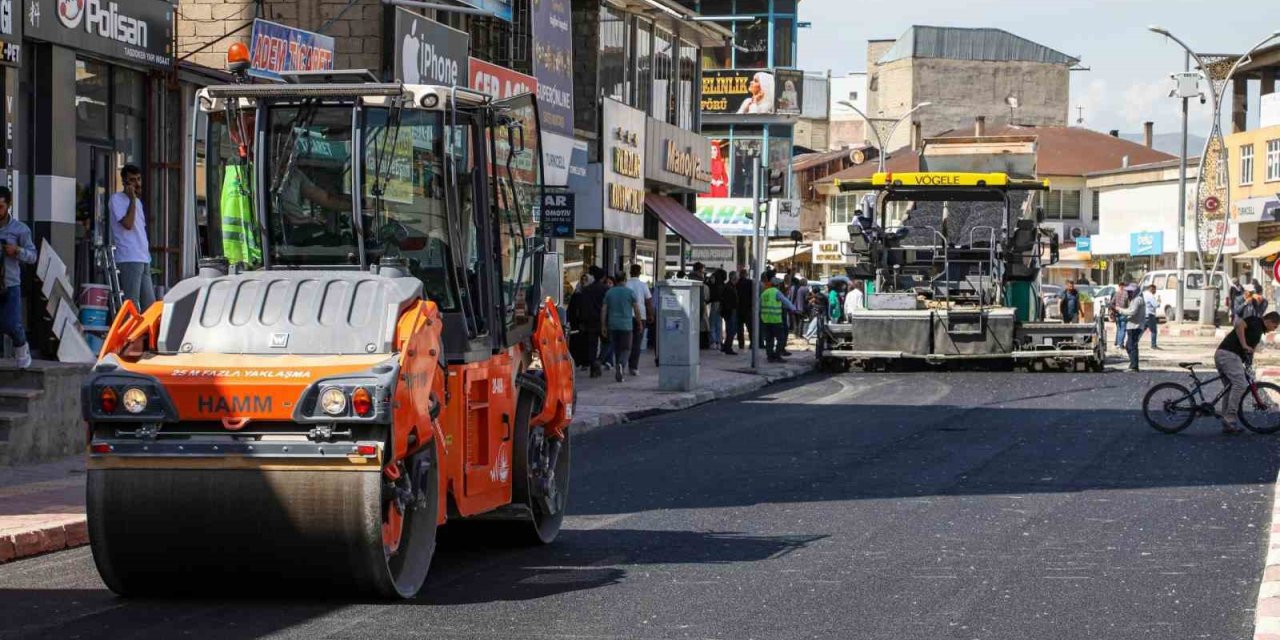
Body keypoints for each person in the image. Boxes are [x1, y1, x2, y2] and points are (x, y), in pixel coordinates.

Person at [1215, 311, 1280, 433]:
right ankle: (1229, 419)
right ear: (1269, 321)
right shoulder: (1256, 322)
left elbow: (1250, 352)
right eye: (1274, 326)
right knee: (1240, 384)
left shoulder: (1258, 331)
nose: (1273, 330)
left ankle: (1227, 423)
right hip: (1229, 355)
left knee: (1230, 387)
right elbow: (1239, 324)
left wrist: (1249, 365)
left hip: (1225, 355)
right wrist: (1244, 344)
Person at [110, 165, 156, 312]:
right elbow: (128, 224)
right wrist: (132, 200)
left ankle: (147, 333)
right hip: (129, 256)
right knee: (132, 302)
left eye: (138, 179)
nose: (137, 184)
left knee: (150, 304)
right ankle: (132, 334)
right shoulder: (117, 199)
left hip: (143, 257)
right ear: (124, 182)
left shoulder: (138, 202)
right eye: (132, 180)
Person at [0, 187, 36, 369]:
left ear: (8, 205)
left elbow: (33, 255)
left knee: (12, 323)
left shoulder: (20, 230)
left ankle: (22, 348)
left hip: (10, 283)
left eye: (0, 206)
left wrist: (17, 251)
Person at [601, 271, 642, 383]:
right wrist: (639, 322)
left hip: (612, 325)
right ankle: (621, 365)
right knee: (627, 348)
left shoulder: (609, 292)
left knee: (617, 348)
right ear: (624, 279)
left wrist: (603, 325)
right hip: (626, 325)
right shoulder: (630, 292)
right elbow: (636, 309)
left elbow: (604, 309)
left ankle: (620, 372)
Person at [576, 266, 608, 378]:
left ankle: (593, 366)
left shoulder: (587, 290)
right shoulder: (605, 289)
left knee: (592, 345)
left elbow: (583, 307)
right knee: (608, 342)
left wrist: (582, 320)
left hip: (590, 321)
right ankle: (599, 361)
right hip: (603, 320)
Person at [623, 264, 654, 377]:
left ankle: (622, 364)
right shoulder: (643, 285)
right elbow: (649, 301)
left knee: (626, 342)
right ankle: (633, 367)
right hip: (641, 316)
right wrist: (651, 314)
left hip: (627, 316)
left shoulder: (626, 284)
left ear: (630, 272)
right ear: (639, 273)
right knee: (637, 342)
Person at [760, 275, 797, 363]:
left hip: (765, 320)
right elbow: (785, 301)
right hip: (775, 320)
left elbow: (759, 305)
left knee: (769, 340)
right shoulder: (776, 292)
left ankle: (770, 357)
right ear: (777, 285)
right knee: (781, 338)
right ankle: (777, 356)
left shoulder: (764, 292)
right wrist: (794, 309)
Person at [1123, 284, 1145, 372]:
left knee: (1132, 346)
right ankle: (1133, 364)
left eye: (1130, 292)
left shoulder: (1137, 300)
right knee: (1129, 346)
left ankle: (1134, 366)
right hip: (1132, 326)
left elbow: (1132, 312)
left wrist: (1120, 310)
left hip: (1135, 326)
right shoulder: (1134, 299)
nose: (1128, 293)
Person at [721, 272, 740, 355]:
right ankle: (728, 347)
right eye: (737, 277)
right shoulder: (729, 287)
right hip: (730, 311)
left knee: (731, 330)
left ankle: (726, 346)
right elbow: (728, 301)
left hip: (730, 311)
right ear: (734, 278)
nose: (738, 278)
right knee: (731, 330)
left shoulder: (730, 286)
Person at [736, 268, 754, 351]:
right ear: (746, 274)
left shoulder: (737, 283)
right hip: (748, 308)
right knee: (750, 328)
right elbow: (752, 295)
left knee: (740, 328)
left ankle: (741, 344)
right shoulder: (750, 283)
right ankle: (752, 344)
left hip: (739, 309)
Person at [708, 269, 725, 351]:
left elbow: (711, 295)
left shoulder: (714, 285)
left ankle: (713, 341)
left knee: (712, 323)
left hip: (715, 304)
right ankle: (719, 341)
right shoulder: (723, 285)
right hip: (721, 304)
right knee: (719, 323)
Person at [1142, 284, 1162, 348]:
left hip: (1143, 314)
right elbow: (1155, 305)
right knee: (1154, 331)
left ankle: (1134, 342)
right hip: (1150, 315)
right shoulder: (1150, 295)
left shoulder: (1143, 294)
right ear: (1151, 289)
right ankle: (1153, 345)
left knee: (1141, 330)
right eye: (1155, 290)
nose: (1155, 291)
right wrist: (1159, 302)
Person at [1111, 282, 1130, 349]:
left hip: (1117, 313)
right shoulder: (1126, 294)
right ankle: (1120, 344)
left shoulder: (1116, 293)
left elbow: (1112, 303)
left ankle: (1118, 344)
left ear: (1119, 286)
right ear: (1124, 286)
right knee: (1123, 329)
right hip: (1124, 312)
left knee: (1119, 328)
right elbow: (1128, 304)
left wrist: (1115, 309)